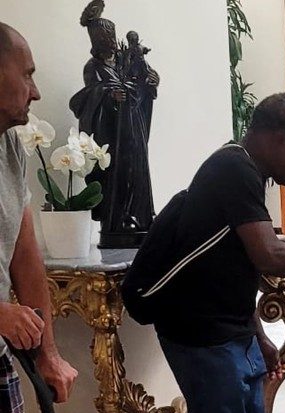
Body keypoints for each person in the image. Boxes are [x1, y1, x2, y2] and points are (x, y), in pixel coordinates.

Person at [153, 93, 285, 413]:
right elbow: (267, 254)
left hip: (232, 332)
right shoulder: (234, 167)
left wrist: (259, 336)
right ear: (279, 140)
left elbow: (235, 268)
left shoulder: (247, 172)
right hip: (203, 336)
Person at [0, 21, 78, 413]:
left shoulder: (11, 143)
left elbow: (23, 252)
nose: (36, 92)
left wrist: (48, 352)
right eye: (27, 74)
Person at [70, 1, 159, 247]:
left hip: (133, 127)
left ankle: (140, 215)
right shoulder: (93, 67)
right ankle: (118, 219)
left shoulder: (121, 61)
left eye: (112, 36)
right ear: (97, 42)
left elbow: (138, 78)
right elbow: (92, 93)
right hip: (113, 134)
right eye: (106, 38)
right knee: (118, 172)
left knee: (138, 169)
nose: (112, 41)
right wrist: (109, 95)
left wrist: (151, 80)